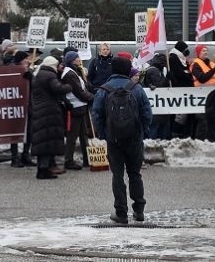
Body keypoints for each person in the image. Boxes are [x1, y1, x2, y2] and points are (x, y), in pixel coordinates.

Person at [92, 57, 152, 224]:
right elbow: (147, 113)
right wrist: (143, 132)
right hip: (134, 138)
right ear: (127, 70)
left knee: (117, 176)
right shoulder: (137, 88)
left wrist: (104, 134)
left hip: (114, 139)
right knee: (135, 174)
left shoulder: (104, 89)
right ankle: (139, 210)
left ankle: (121, 213)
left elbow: (96, 115)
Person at [30, 56, 72, 179]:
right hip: (48, 111)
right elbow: (58, 88)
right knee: (46, 142)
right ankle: (43, 170)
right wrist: (69, 86)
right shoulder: (49, 75)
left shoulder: (39, 74)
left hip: (40, 110)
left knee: (42, 141)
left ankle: (43, 168)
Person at [61, 51, 94, 170]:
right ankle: (68, 161)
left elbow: (83, 88)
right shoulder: (69, 74)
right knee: (72, 136)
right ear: (72, 60)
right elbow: (78, 92)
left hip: (80, 107)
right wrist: (92, 97)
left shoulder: (74, 71)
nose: (79, 59)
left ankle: (87, 159)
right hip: (75, 107)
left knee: (83, 135)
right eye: (77, 58)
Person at [190, 44, 215, 141]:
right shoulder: (196, 64)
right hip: (201, 97)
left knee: (212, 120)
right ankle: (200, 142)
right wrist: (214, 70)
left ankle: (211, 142)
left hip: (213, 96)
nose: (206, 52)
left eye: (206, 50)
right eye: (203, 50)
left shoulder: (212, 64)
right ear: (198, 53)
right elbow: (202, 78)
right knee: (203, 121)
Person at [168, 41, 194, 138]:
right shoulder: (173, 58)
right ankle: (175, 135)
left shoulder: (181, 59)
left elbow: (185, 70)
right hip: (179, 90)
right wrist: (188, 75)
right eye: (185, 49)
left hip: (185, 90)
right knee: (180, 115)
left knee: (184, 115)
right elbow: (180, 73)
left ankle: (181, 134)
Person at [143, 53, 171, 140]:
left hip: (158, 108)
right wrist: (167, 79)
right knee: (156, 132)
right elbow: (159, 87)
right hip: (157, 108)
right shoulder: (154, 71)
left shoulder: (153, 70)